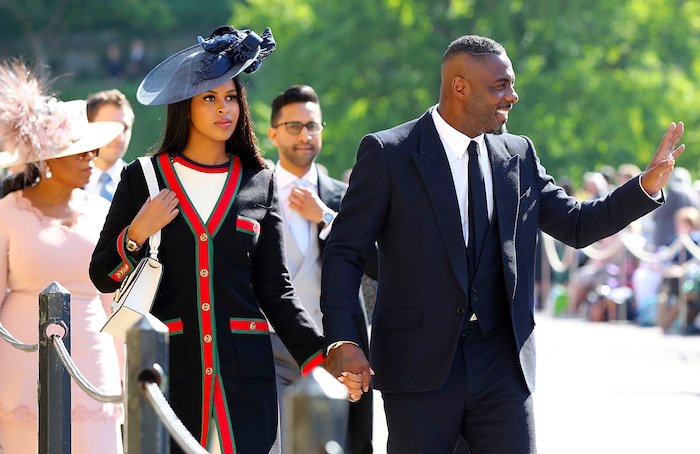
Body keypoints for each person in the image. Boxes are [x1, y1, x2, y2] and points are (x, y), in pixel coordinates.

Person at [319, 34, 685, 453]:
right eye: (501, 85)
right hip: (416, 366)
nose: (513, 95)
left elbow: (577, 225)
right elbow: (344, 253)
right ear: (460, 87)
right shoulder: (389, 153)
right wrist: (345, 340)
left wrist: (642, 188)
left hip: (503, 366)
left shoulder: (518, 154)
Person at [89, 26, 335, 454]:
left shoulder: (261, 181)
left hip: (246, 383)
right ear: (185, 106)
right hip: (169, 380)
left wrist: (321, 357)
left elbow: (276, 291)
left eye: (232, 97)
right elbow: (102, 277)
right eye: (209, 98)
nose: (225, 108)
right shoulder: (143, 178)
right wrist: (137, 233)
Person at [0, 59, 125, 454]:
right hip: (19, 359)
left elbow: (113, 298)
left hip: (93, 353)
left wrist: (126, 369)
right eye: (80, 154)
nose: (92, 161)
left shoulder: (104, 211)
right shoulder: (6, 212)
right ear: (48, 160)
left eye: (92, 153)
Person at [267, 84, 375, 453]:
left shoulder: (344, 197)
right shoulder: (252, 194)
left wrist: (327, 217)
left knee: (338, 445)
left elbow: (377, 262)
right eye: (293, 126)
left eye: (312, 126)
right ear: (273, 133)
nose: (305, 135)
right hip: (270, 348)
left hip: (336, 348)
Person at [84, 89, 135, 202]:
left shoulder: (140, 183)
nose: (120, 138)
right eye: (112, 128)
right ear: (88, 128)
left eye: (125, 128)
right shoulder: (66, 185)